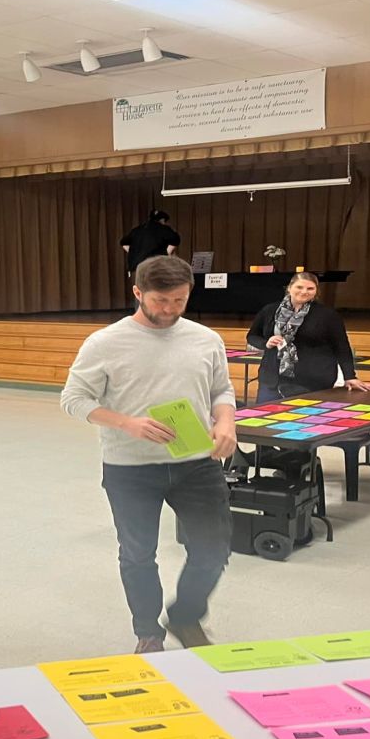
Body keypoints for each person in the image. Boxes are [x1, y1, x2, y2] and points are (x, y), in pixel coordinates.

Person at [61, 255, 237, 653]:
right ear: (138, 292)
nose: (170, 309)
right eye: (161, 300)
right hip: (130, 467)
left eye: (180, 300)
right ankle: (148, 632)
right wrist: (126, 422)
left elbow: (221, 390)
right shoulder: (105, 343)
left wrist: (226, 421)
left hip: (197, 463)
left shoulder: (206, 339)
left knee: (213, 551)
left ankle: (185, 617)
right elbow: (73, 399)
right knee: (138, 554)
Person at [246, 272, 369, 403]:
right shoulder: (270, 310)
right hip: (272, 379)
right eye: (299, 287)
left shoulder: (328, 315)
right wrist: (266, 343)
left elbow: (341, 347)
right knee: (266, 414)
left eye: (310, 288)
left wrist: (350, 376)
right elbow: (252, 336)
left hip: (313, 380)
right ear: (289, 288)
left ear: (316, 292)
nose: (304, 292)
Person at [120, 210, 180, 276]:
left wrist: (134, 253)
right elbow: (176, 240)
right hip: (153, 268)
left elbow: (123, 242)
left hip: (136, 269)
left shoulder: (137, 230)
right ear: (162, 220)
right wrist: (167, 253)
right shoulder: (163, 229)